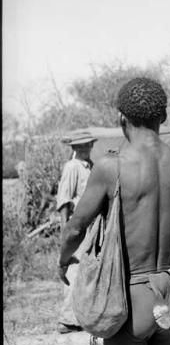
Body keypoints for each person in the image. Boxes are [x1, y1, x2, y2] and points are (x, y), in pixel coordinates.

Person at [58, 77, 170, 345]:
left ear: (121, 117)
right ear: (164, 116)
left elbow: (75, 228)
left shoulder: (111, 165)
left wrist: (62, 260)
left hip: (131, 298)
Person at [56, 130, 97, 334]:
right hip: (76, 224)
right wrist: (66, 229)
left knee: (88, 268)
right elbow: (64, 199)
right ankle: (67, 319)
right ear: (73, 148)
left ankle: (83, 315)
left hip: (91, 224)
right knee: (73, 267)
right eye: (80, 145)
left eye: (88, 144)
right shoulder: (72, 167)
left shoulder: (90, 166)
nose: (85, 148)